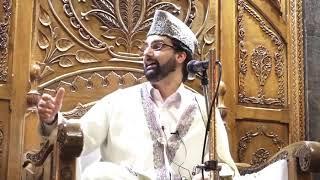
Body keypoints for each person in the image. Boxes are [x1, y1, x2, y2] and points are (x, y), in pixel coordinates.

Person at [38, 10, 238, 180]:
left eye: (157, 46)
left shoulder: (205, 108)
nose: (147, 53)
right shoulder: (118, 102)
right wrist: (52, 119)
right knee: (102, 172)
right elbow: (78, 136)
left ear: (180, 56)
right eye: (147, 46)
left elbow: (226, 167)